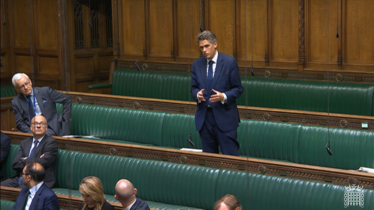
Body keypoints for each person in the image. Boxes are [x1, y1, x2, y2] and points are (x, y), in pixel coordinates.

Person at [191, 30, 243, 156]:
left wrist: (224, 96)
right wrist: (197, 94)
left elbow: (238, 89)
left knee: (230, 160)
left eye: (207, 46)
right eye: (201, 47)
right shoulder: (197, 64)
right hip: (205, 119)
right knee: (209, 161)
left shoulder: (229, 62)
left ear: (215, 44)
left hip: (225, 117)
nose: (204, 50)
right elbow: (193, 88)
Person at [1, 115, 58, 188]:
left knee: (21, 190)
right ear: (31, 127)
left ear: (46, 127)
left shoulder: (51, 142)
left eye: (41, 124)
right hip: (21, 178)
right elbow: (15, 164)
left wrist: (25, 160)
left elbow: (43, 163)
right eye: (35, 124)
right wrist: (36, 161)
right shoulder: (25, 142)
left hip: (38, 180)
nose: (38, 126)